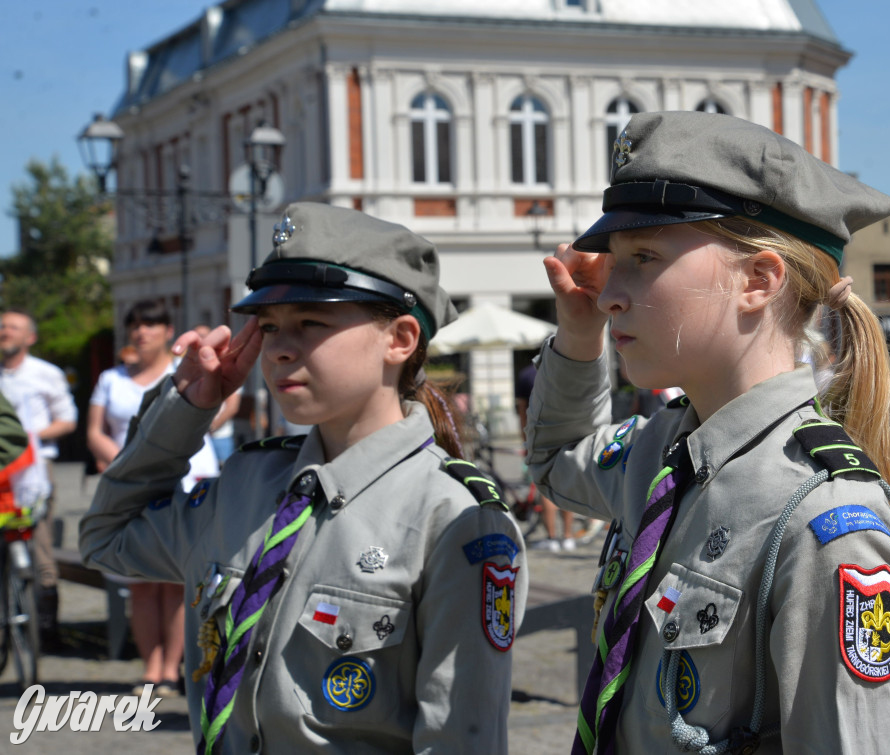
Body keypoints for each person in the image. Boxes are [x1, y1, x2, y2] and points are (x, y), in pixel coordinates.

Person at [525, 111, 890, 754]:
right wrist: (577, 334)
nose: (608, 294)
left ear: (758, 280)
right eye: (614, 262)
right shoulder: (657, 452)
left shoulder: (824, 513)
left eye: (643, 257)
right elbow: (556, 461)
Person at [79, 203, 528, 754]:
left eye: (311, 323)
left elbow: (461, 740)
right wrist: (185, 411)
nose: (279, 348)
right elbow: (107, 537)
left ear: (400, 338)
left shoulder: (452, 515)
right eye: (269, 327)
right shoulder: (245, 484)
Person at [86, 299, 221, 697]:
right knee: (140, 582)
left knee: (177, 580)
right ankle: (151, 666)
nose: (141, 332)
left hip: (187, 476)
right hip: (129, 482)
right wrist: (129, 464)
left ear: (167, 331)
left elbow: (220, 407)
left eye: (151, 324)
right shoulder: (111, 378)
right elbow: (94, 430)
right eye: (135, 325)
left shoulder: (182, 370)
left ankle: (173, 668)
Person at [0, 309, 79, 651]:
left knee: (40, 544)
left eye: (13, 327)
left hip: (33, 471)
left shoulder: (45, 374)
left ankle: (47, 629)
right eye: (2, 326)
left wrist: (29, 438)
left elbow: (67, 419)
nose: (5, 331)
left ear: (30, 337)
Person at [515, 362, 575, 551]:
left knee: (545, 486)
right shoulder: (564, 369)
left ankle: (552, 538)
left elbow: (522, 410)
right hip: (566, 433)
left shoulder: (526, 375)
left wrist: (525, 437)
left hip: (539, 435)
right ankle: (568, 537)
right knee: (566, 485)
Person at [192, 325, 242, 465]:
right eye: (197, 336)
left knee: (223, 473)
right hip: (193, 438)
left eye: (204, 336)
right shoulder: (185, 367)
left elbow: (232, 407)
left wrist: (211, 428)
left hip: (219, 437)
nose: (201, 340)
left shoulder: (224, 366)